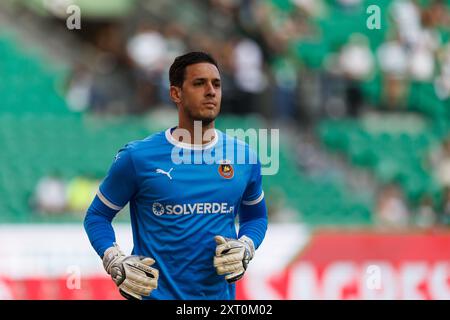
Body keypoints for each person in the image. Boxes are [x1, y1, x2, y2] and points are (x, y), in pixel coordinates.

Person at [83, 52, 268, 300]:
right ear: (175, 94)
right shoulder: (138, 157)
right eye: (199, 83)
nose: (211, 91)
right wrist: (114, 260)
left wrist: (246, 246)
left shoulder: (244, 157)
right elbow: (97, 216)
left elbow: (256, 217)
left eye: (217, 84)